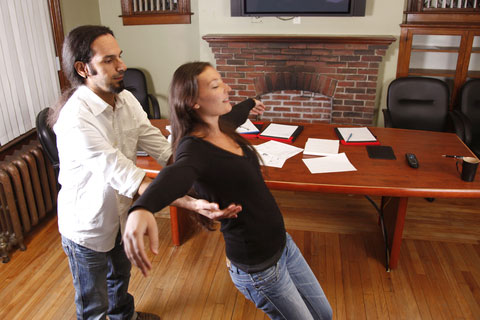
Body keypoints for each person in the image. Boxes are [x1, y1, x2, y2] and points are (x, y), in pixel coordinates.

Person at [50, 26, 264, 320]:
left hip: (121, 214)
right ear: (83, 68)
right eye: (109, 60)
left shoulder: (125, 101)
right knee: (93, 305)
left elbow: (164, 152)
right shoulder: (75, 120)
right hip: (88, 225)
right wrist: (192, 203)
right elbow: (129, 176)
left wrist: (206, 172)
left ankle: (125, 317)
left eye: (120, 57)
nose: (122, 65)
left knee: (119, 281)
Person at [123, 62, 333, 320]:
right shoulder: (194, 149)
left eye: (221, 81)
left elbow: (238, 113)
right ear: (193, 102)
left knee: (325, 315)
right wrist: (142, 208)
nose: (227, 88)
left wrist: (251, 102)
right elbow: (174, 175)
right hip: (260, 269)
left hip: (283, 245)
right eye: (216, 86)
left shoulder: (222, 124)